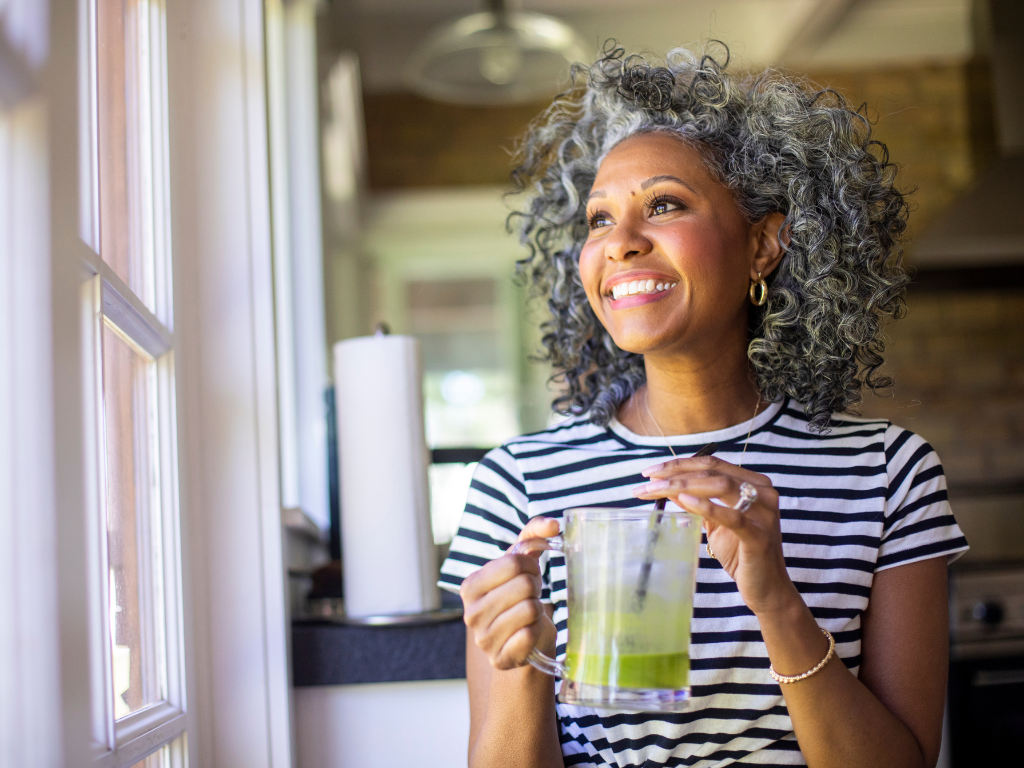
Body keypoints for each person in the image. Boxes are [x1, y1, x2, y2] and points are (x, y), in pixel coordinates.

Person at [439, 44, 967, 768]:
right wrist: (523, 666)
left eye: (664, 205)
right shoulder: (518, 484)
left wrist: (776, 600)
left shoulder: (886, 474)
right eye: (598, 219)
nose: (620, 244)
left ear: (763, 244)